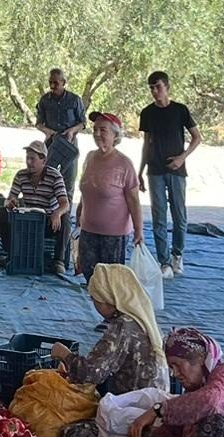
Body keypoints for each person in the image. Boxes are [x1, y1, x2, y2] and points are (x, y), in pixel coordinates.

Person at [53, 263, 166, 437]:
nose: (93, 303)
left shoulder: (123, 327)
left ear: (109, 300)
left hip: (133, 419)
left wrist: (64, 355)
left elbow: (91, 373)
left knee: (69, 434)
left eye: (95, 299)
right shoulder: (143, 319)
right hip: (149, 412)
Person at [137, 71, 201, 278]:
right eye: (152, 88)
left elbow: (197, 138)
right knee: (158, 217)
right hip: (154, 170)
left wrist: (182, 158)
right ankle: (163, 261)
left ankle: (177, 255)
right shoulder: (147, 113)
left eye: (158, 87)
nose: (155, 92)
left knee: (179, 215)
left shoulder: (180, 110)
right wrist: (140, 170)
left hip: (176, 169)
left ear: (167, 87)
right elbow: (146, 143)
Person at [75, 113, 145, 280]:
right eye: (95, 129)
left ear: (115, 135)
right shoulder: (90, 157)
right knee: (90, 278)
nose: (97, 134)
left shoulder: (124, 164)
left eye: (103, 130)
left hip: (114, 235)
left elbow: (134, 200)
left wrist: (139, 230)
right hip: (88, 230)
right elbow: (86, 191)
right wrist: (79, 216)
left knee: (110, 281)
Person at [0, 140, 70, 273]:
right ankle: (10, 254)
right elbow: (10, 198)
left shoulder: (54, 176)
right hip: (26, 220)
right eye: (27, 158)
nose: (29, 162)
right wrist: (10, 203)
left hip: (47, 221)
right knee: (0, 212)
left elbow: (65, 203)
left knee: (65, 219)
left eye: (33, 159)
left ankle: (59, 260)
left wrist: (57, 213)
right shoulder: (21, 175)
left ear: (43, 160)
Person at [35, 68, 86, 204]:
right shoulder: (44, 100)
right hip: (51, 144)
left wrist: (71, 131)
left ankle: (65, 220)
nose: (52, 86)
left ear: (64, 82)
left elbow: (83, 123)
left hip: (69, 145)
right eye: (50, 82)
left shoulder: (75, 100)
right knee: (46, 179)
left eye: (56, 83)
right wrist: (47, 131)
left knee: (68, 183)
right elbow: (39, 123)